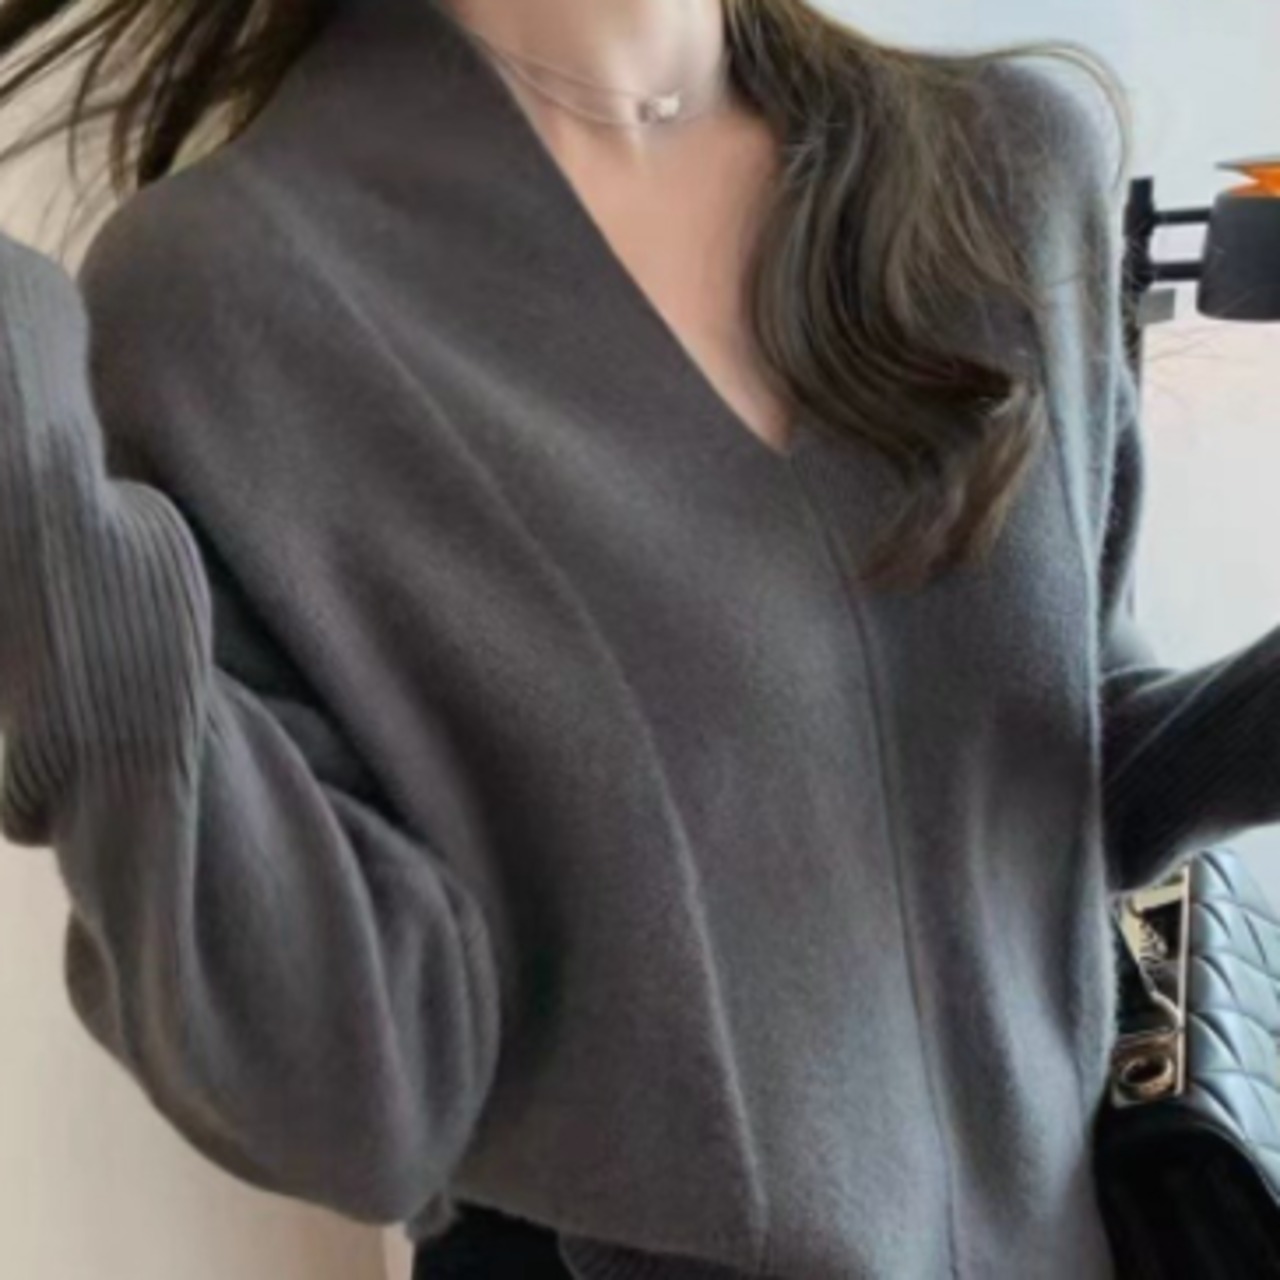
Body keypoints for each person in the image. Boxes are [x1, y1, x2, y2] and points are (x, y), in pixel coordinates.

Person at [4, 0, 1280, 1276]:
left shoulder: (1004, 168)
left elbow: (1038, 763)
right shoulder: (227, 297)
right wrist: (43, 522)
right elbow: (344, 1087)